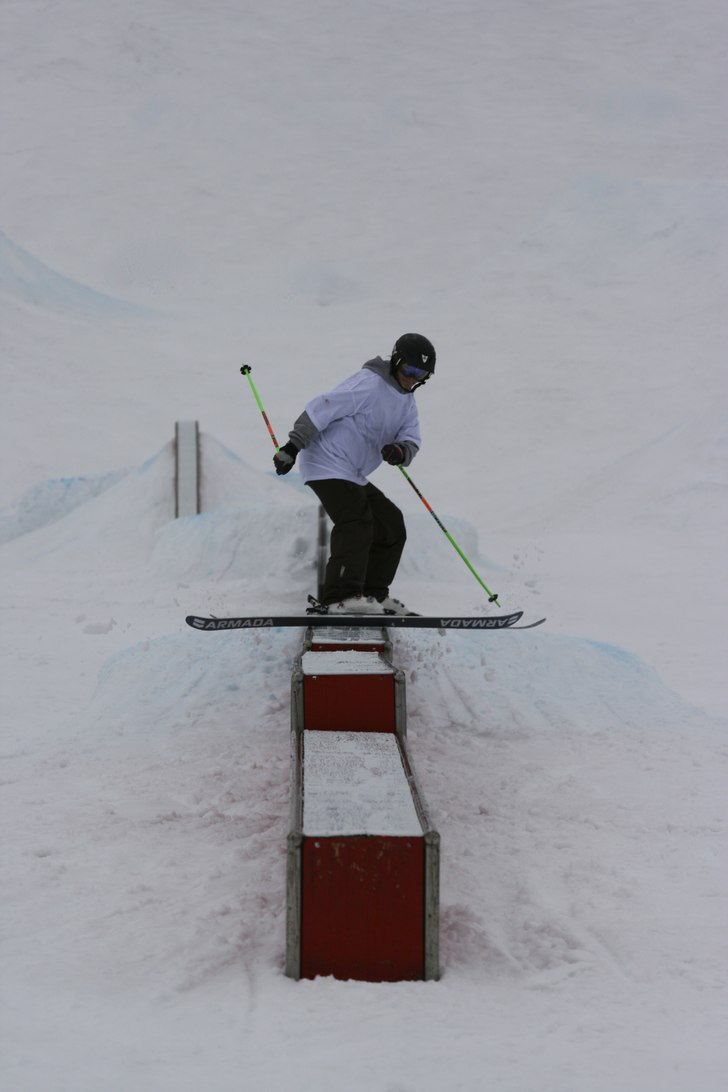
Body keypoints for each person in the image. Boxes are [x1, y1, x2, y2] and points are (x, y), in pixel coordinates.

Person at [273, 333, 436, 615]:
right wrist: (292, 446)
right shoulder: (369, 384)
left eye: (420, 374)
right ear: (396, 361)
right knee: (356, 520)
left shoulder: (407, 402)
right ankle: (339, 597)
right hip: (325, 461)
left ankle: (373, 595)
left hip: (352, 471)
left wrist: (400, 451)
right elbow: (322, 407)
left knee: (390, 524)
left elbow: (411, 438)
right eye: (409, 370)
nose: (413, 378)